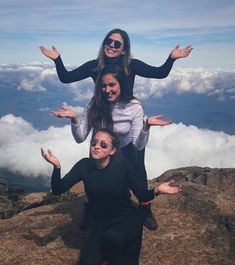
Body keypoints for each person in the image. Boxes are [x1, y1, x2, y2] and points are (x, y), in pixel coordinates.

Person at [51, 65, 172, 230]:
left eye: (112, 85)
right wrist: (74, 119)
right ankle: (92, 208)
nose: (107, 89)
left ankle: (144, 209)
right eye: (103, 85)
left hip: (127, 148)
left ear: (121, 85)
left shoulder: (133, 106)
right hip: (103, 146)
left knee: (137, 177)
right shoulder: (95, 104)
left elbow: (138, 144)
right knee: (95, 177)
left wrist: (146, 127)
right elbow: (80, 138)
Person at [41, 128, 182, 265]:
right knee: (88, 262)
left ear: (112, 150)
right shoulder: (84, 165)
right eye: (94, 143)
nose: (96, 147)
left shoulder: (122, 167)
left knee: (114, 240)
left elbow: (142, 195)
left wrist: (157, 190)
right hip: (100, 221)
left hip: (125, 218)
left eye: (103, 145)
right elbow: (57, 190)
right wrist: (57, 167)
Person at [39, 28, 193, 98]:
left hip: (128, 116)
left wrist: (171, 58)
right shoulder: (94, 66)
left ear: (124, 50)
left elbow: (160, 73)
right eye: (109, 41)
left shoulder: (132, 65)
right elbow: (66, 78)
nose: (112, 45)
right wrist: (57, 59)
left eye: (117, 44)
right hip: (102, 117)